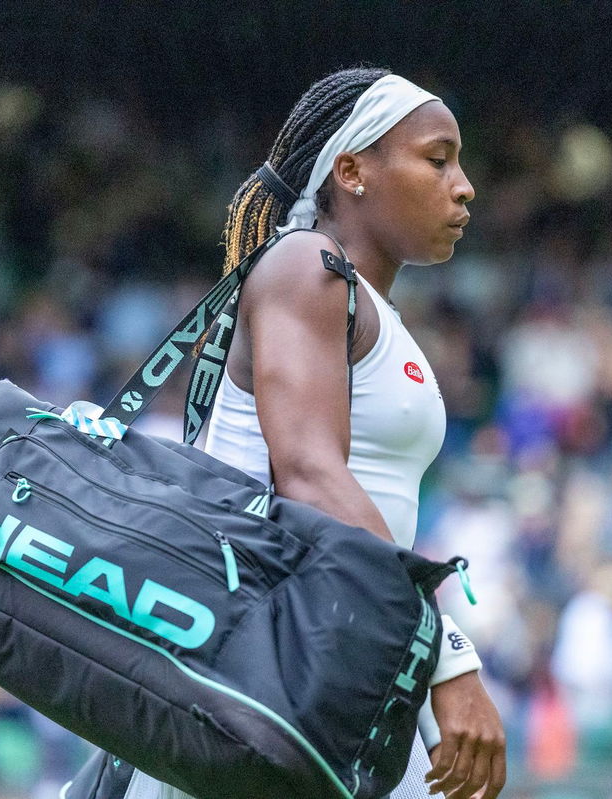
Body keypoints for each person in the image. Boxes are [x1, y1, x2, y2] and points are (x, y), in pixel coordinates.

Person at [74, 67, 507, 799]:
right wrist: (449, 657)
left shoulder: (360, 300)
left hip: (328, 669)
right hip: (266, 678)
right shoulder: (307, 266)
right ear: (352, 171)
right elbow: (308, 475)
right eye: (437, 159)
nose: (463, 185)